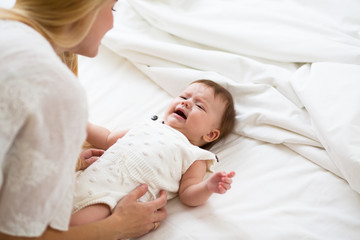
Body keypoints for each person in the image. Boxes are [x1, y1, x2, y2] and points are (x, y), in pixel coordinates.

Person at [0, 0, 167, 240]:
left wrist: (61, 163)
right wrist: (119, 226)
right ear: (84, 8)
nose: (112, 24)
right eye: (112, 8)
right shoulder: (57, 89)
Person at [70, 79, 236, 226]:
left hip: (112, 199)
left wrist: (208, 187)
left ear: (210, 134)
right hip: (83, 177)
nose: (186, 103)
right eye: (184, 97)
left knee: (75, 224)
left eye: (199, 105)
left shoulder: (194, 155)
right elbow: (107, 139)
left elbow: (188, 194)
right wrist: (81, 123)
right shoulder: (149, 126)